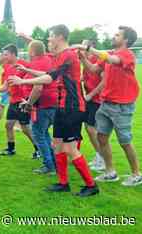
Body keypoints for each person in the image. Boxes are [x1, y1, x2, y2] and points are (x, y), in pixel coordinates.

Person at [9, 25, 99, 197]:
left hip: (72, 108)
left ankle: (91, 185)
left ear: (59, 37)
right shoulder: (61, 55)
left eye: (50, 36)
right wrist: (27, 71)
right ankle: (63, 183)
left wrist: (22, 82)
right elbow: (48, 72)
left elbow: (49, 77)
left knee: (70, 148)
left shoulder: (68, 55)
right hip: (62, 107)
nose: (48, 39)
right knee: (57, 145)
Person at [73, 26, 141, 186]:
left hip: (122, 105)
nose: (114, 36)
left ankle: (137, 174)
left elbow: (113, 60)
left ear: (125, 40)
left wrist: (87, 48)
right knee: (101, 137)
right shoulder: (109, 54)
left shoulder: (127, 55)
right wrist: (83, 57)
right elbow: (94, 69)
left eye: (117, 35)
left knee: (124, 141)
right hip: (106, 103)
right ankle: (110, 172)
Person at [0, 44, 40, 158]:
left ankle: (38, 149)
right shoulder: (7, 67)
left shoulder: (25, 65)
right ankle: (11, 149)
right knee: (8, 125)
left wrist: (29, 97)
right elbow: (6, 86)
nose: (4, 56)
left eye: (6, 54)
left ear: (12, 54)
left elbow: (38, 80)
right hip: (13, 100)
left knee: (25, 127)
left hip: (23, 101)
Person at [15, 40, 57, 174]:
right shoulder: (49, 59)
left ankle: (49, 165)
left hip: (42, 105)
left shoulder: (37, 63)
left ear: (32, 51)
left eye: (29, 49)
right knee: (44, 133)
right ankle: (54, 162)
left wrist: (29, 104)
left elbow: (38, 88)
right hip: (53, 102)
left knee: (39, 134)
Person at [77, 40, 105, 172]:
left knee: (92, 128)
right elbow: (87, 77)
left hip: (97, 100)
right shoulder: (85, 60)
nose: (81, 49)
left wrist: (91, 94)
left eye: (83, 46)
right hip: (89, 99)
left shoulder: (97, 60)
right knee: (89, 128)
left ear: (91, 48)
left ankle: (102, 158)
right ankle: (100, 156)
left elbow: (104, 81)